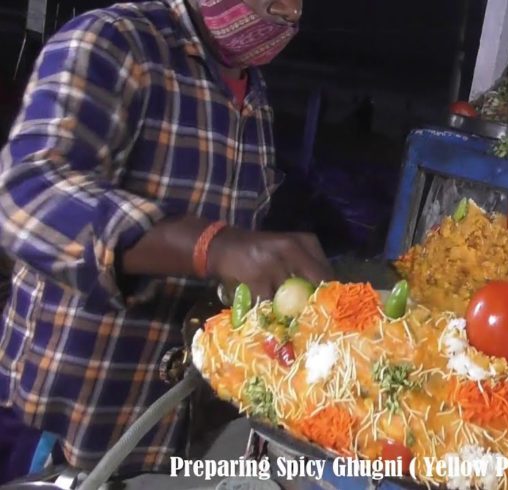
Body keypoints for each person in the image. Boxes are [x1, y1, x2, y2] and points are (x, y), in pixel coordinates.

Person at [0, 0, 333, 483]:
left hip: (163, 436)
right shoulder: (114, 41)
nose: (287, 8)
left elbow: (228, 275)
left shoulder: (252, 95)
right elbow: (26, 196)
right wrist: (211, 246)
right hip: (63, 431)